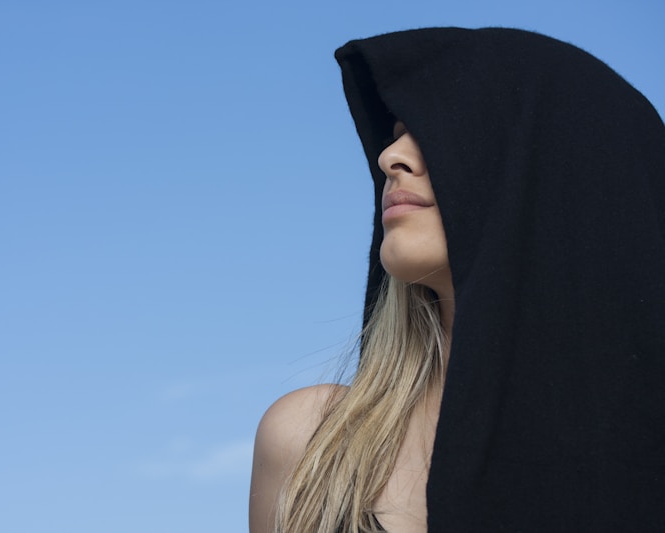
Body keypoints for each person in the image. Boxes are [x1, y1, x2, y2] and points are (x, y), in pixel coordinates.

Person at [250, 27, 665, 533]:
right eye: (396, 133)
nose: (389, 157)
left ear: (554, 166)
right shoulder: (310, 444)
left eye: (437, 132)